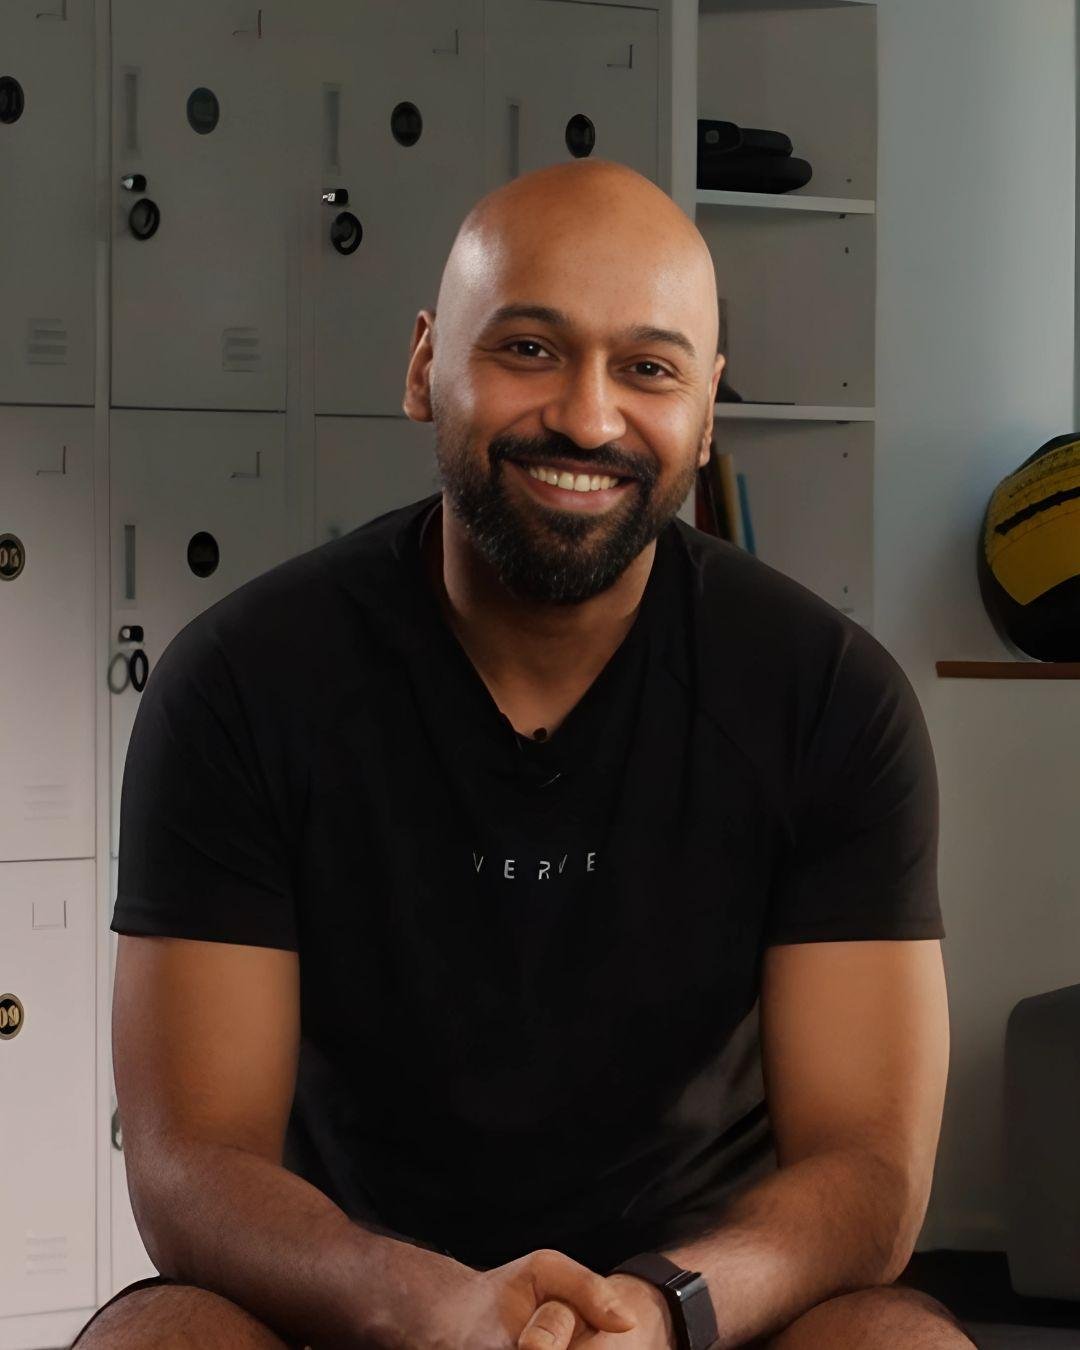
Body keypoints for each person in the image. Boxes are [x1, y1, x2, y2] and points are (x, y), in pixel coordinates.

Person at [72, 158, 978, 1349]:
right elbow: (193, 1163)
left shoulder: (831, 700)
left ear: (707, 410)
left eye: (648, 369)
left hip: (696, 1316)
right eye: (531, 349)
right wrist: (429, 1306)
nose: (588, 419)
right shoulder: (239, 685)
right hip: (360, 1310)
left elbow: (869, 1173)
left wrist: (664, 1308)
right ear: (424, 367)